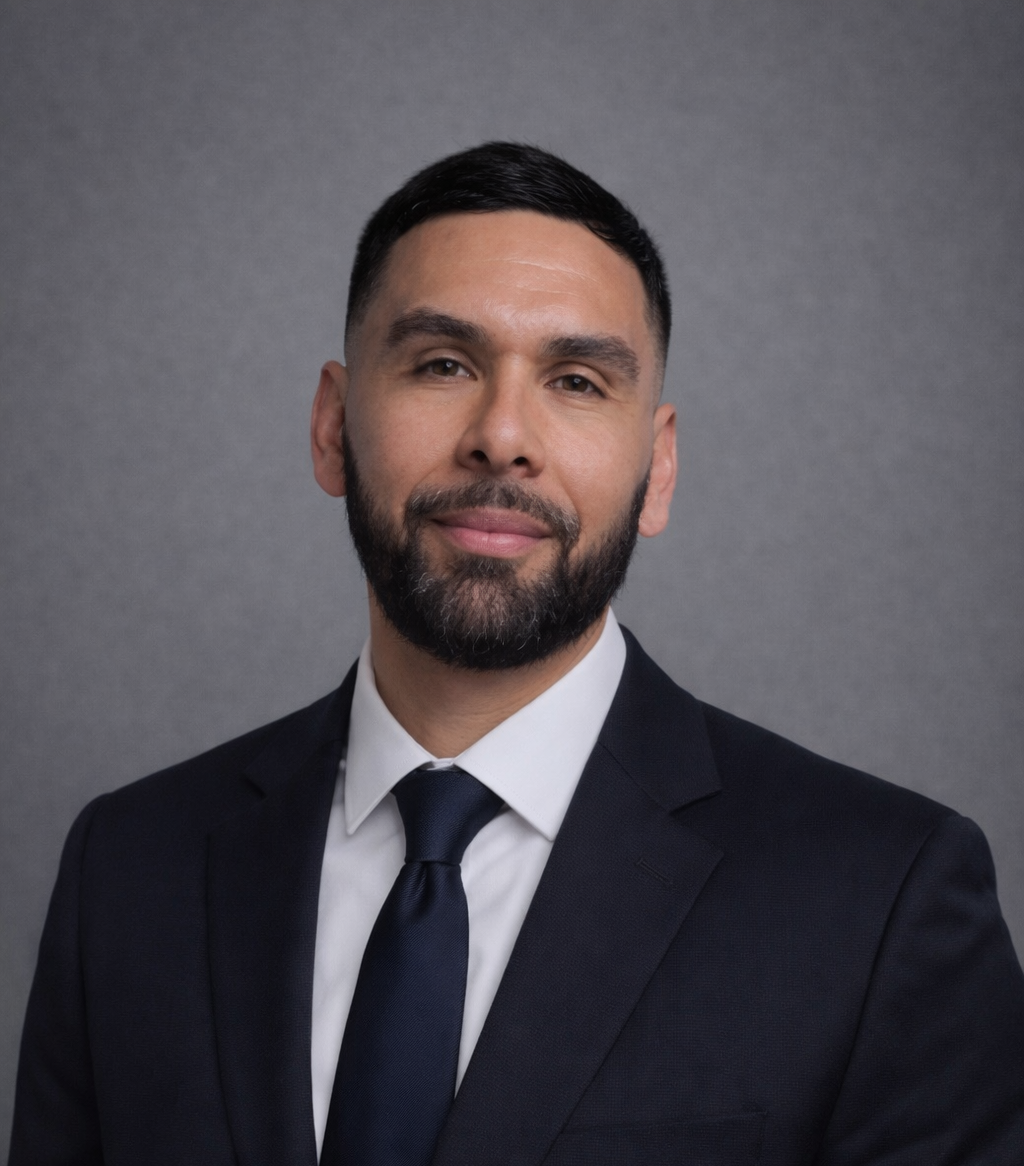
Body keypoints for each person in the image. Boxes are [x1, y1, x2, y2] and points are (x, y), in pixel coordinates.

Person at [10, 142, 1024, 1166]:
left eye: (577, 380)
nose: (501, 436)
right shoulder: (128, 869)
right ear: (331, 426)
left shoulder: (880, 896)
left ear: (658, 467)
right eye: (442, 364)